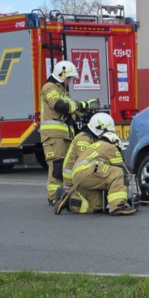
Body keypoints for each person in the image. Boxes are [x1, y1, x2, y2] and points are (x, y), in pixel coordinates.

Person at [40, 60, 98, 204]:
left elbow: (71, 110)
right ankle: (54, 197)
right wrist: (79, 104)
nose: (70, 81)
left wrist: (85, 108)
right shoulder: (49, 87)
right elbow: (61, 106)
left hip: (64, 135)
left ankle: (65, 194)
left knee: (66, 166)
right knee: (57, 166)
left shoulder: (62, 90)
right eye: (69, 78)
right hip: (53, 136)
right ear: (62, 75)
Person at [55, 131, 136, 216]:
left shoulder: (93, 146)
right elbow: (123, 170)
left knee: (98, 204)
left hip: (77, 177)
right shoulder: (111, 147)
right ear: (115, 143)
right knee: (118, 173)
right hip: (89, 172)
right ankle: (118, 206)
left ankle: (70, 200)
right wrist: (134, 192)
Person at [61, 112, 115, 196]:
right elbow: (83, 162)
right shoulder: (84, 139)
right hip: (73, 181)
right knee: (98, 200)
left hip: (80, 176)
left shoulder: (92, 137)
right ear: (99, 129)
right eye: (107, 132)